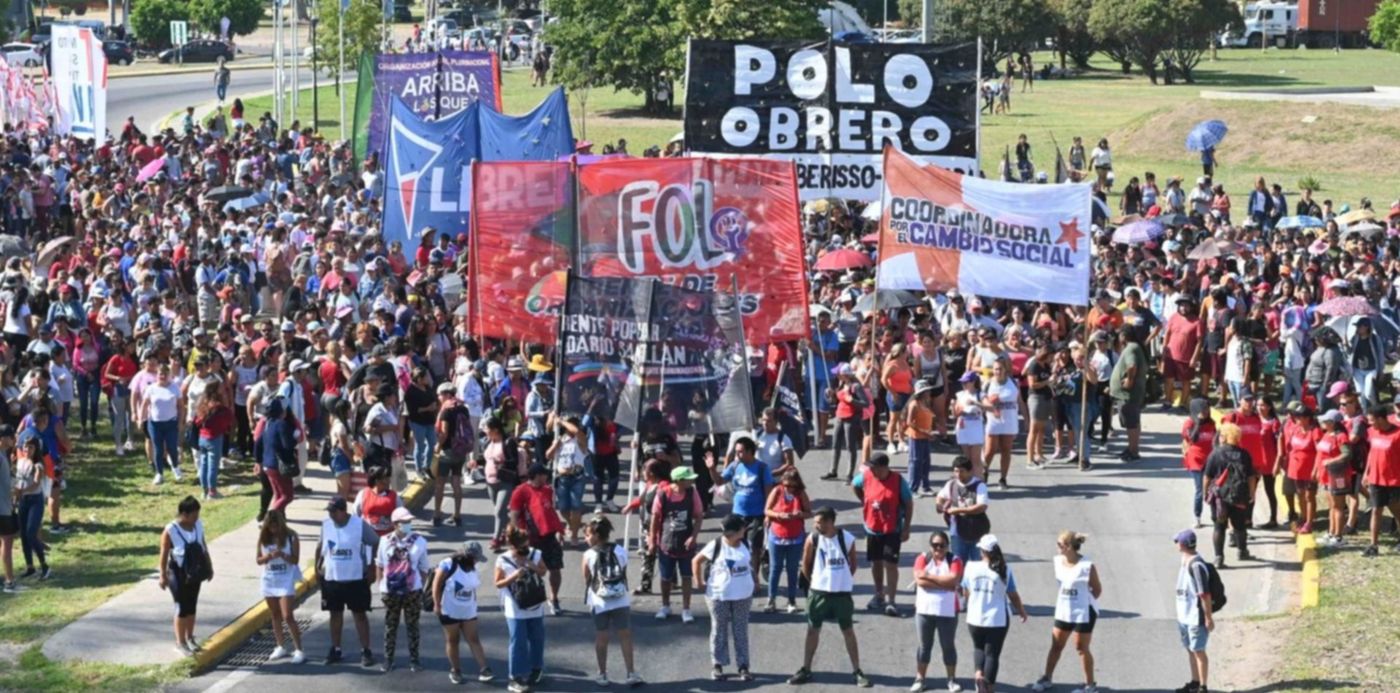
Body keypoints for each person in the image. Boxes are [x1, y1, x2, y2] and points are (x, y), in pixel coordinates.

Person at [789, 506, 873, 688]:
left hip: (841, 595)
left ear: (830, 522)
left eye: (819, 522)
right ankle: (806, 668)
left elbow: (853, 565)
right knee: (812, 630)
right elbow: (805, 564)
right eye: (815, 522)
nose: (816, 525)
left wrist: (842, 580)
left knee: (848, 631)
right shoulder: (813, 539)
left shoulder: (846, 538)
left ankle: (857, 670)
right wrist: (816, 582)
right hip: (818, 593)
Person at [1031, 531, 1102, 693]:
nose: (1057, 547)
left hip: (1084, 611)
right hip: (1064, 609)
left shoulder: (1087, 565)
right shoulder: (1058, 562)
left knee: (1081, 647)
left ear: (1069, 547)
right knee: (1056, 644)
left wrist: (1081, 600)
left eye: (1059, 544)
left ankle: (1090, 685)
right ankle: (1047, 678)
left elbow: (1097, 590)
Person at [315, 496, 379, 668]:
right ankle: (336, 649)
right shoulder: (326, 525)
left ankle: (366, 650)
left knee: (359, 615)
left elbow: (374, 541)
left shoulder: (358, 525)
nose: (331, 515)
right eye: (329, 512)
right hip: (332, 578)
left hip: (355, 578)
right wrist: (317, 567)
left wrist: (372, 566)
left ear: (343, 511)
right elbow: (320, 546)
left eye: (334, 512)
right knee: (335, 614)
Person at [581, 514, 644, 687]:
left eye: (587, 535)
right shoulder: (620, 550)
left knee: (602, 637)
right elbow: (623, 570)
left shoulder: (588, 554)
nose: (586, 538)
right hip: (620, 599)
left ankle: (602, 674)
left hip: (599, 601)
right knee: (625, 636)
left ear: (596, 535)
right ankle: (631, 672)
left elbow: (587, 577)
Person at [704, 436, 774, 591]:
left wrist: (768, 515)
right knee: (735, 545)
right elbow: (719, 481)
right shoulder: (735, 466)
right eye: (736, 452)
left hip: (756, 515)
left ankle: (754, 580)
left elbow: (769, 493)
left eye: (741, 452)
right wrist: (711, 469)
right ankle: (738, 577)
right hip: (737, 514)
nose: (738, 455)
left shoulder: (762, 468)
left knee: (753, 548)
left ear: (750, 452)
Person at [960, 534, 1028, 693]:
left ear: (983, 551)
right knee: (992, 654)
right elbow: (1013, 594)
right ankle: (989, 687)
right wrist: (1021, 611)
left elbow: (965, 591)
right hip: (997, 619)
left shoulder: (970, 567)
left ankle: (978, 676)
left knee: (978, 648)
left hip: (975, 617)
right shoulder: (1004, 569)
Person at [694, 513, 757, 682]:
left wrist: (755, 581)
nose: (745, 529)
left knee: (740, 630)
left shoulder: (746, 543)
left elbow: (750, 565)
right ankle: (718, 665)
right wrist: (699, 581)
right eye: (742, 527)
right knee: (719, 630)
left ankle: (743, 666)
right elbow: (696, 561)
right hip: (718, 596)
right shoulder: (715, 545)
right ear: (734, 531)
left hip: (743, 596)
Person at [852, 451, 913, 616]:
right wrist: (864, 500)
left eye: (875, 468)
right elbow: (855, 484)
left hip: (892, 529)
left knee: (890, 564)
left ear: (884, 467)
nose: (872, 471)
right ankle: (879, 594)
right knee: (876, 562)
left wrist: (906, 527)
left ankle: (891, 601)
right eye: (871, 468)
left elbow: (908, 503)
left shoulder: (898, 481)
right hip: (872, 528)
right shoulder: (866, 476)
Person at [375, 506, 430, 672]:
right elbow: (379, 564)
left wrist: (418, 586)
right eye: (404, 522)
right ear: (395, 524)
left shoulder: (420, 542)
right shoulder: (384, 541)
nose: (407, 524)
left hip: (412, 591)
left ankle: (414, 659)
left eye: (409, 521)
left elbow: (424, 568)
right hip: (390, 591)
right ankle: (388, 659)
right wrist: (380, 586)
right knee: (390, 625)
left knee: (412, 625)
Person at [433, 540, 494, 685]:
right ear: (467, 556)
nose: (477, 561)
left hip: (468, 610)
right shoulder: (448, 563)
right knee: (453, 640)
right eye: (475, 558)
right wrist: (436, 604)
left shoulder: (473, 568)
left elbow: (472, 588)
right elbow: (436, 584)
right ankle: (456, 670)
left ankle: (484, 669)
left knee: (473, 639)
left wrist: (474, 604)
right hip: (449, 609)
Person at [495, 527, 548, 692]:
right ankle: (515, 677)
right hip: (515, 608)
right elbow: (498, 583)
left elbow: (543, 571)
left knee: (537, 638)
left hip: (535, 605)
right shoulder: (503, 559)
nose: (526, 549)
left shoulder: (535, 554)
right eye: (522, 547)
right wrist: (514, 576)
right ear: (512, 546)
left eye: (527, 545)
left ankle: (536, 669)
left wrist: (533, 566)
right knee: (518, 642)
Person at [508, 464, 566, 615]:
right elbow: (514, 514)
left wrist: (559, 530)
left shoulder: (547, 490)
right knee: (529, 570)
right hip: (530, 538)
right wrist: (516, 538)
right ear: (537, 475)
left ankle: (554, 598)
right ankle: (528, 597)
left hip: (549, 536)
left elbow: (550, 511)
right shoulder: (520, 491)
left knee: (555, 568)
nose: (546, 478)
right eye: (544, 475)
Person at [158, 496, 212, 655]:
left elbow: (203, 546)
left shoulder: (198, 526)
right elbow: (164, 553)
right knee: (181, 607)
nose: (196, 518)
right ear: (184, 514)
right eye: (194, 515)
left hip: (195, 571)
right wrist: (163, 575)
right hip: (178, 573)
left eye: (197, 515)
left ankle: (190, 638)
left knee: (192, 606)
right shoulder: (171, 530)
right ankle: (180, 642)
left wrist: (209, 567)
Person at [911, 530, 963, 693]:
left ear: (948, 546)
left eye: (942, 545)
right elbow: (919, 580)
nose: (938, 548)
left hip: (947, 611)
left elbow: (954, 579)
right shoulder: (922, 558)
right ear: (930, 546)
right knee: (924, 646)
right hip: (924, 611)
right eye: (935, 545)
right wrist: (945, 585)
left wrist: (929, 577)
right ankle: (920, 679)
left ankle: (951, 679)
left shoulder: (955, 560)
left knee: (948, 646)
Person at [650, 465, 702, 622]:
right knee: (665, 577)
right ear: (679, 481)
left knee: (687, 576)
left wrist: (693, 536)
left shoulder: (692, 493)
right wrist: (652, 541)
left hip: (686, 543)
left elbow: (699, 516)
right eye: (688, 479)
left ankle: (686, 609)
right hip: (666, 543)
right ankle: (665, 606)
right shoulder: (663, 494)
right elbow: (655, 518)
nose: (691, 481)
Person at [1202, 423, 1256, 568]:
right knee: (1239, 526)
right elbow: (1251, 476)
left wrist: (1206, 493)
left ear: (1224, 437)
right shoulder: (1244, 454)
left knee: (1219, 527)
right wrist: (1252, 493)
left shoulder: (1216, 453)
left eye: (1221, 435)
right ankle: (1242, 551)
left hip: (1220, 497)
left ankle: (1219, 557)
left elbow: (1207, 476)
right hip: (1239, 495)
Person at [256, 509, 304, 664]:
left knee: (287, 615)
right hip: (269, 579)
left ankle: (299, 649)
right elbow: (258, 560)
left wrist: (282, 555)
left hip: (286, 579)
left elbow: (295, 560)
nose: (274, 530)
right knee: (275, 614)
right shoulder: (263, 538)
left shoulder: (291, 537)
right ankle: (280, 646)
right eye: (270, 527)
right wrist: (269, 556)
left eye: (276, 527)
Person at [1172, 529, 1215, 693]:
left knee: (1199, 651)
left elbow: (1204, 594)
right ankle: (1195, 682)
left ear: (1182, 545)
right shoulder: (1185, 560)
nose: (1176, 544)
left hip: (1195, 617)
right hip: (1184, 615)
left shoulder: (1196, 565)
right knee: (1190, 649)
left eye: (1177, 542)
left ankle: (1203, 686)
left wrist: (1208, 617)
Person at [764, 468, 811, 613]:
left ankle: (792, 601)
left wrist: (799, 514)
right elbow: (767, 510)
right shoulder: (777, 491)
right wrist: (779, 515)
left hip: (795, 537)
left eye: (792, 486)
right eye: (786, 485)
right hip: (776, 536)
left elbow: (809, 513)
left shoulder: (801, 494)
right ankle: (771, 600)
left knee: (792, 570)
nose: (789, 488)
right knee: (775, 569)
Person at [936, 455, 992, 566]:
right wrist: (939, 504)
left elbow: (982, 506)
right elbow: (941, 496)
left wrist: (959, 510)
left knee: (979, 564)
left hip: (977, 532)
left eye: (962, 471)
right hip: (957, 532)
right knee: (958, 564)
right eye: (956, 471)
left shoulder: (979, 486)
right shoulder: (951, 484)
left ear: (970, 471)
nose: (958, 474)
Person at [1362, 405, 1400, 558]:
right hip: (1376, 479)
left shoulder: (1398, 434)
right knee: (1376, 510)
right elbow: (1372, 453)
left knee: (1397, 512)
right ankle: (1373, 545)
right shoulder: (1373, 432)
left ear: (1381, 419)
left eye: (1372, 421)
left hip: (1394, 480)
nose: (1370, 424)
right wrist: (1366, 472)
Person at [546, 415, 590, 545]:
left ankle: (574, 535)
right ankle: (573, 525)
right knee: (563, 508)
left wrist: (561, 421)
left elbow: (577, 432)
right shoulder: (561, 440)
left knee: (576, 506)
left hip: (577, 477)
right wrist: (555, 446)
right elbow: (548, 455)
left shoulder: (580, 440)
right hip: (562, 478)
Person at [1315, 411, 1353, 547]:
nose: (1323, 423)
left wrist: (1331, 461)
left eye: (1326, 421)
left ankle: (1338, 536)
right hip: (1326, 475)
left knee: (1338, 506)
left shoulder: (1341, 436)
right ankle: (1331, 532)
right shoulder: (1326, 434)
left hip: (1338, 475)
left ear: (1333, 422)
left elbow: (1347, 454)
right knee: (1331, 506)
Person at [1109, 327, 1147, 461]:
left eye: (1119, 334)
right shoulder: (1132, 347)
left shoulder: (1131, 348)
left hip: (1128, 395)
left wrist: (1129, 381)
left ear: (1124, 336)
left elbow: (1132, 366)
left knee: (1131, 423)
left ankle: (1133, 451)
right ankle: (1131, 447)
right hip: (1127, 395)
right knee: (1133, 422)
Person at [981, 359, 1019, 489]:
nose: (997, 371)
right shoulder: (988, 384)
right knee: (990, 450)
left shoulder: (1013, 382)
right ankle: (984, 471)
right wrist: (991, 403)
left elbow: (1019, 401)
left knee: (1006, 450)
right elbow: (983, 400)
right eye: (995, 369)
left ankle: (1003, 478)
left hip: (1009, 420)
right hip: (993, 420)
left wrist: (1026, 416)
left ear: (1005, 370)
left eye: (1000, 369)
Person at [1182, 399, 1217, 527]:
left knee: (1214, 489)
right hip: (1196, 461)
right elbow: (1192, 439)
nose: (1206, 412)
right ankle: (1198, 515)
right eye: (1203, 410)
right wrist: (1198, 423)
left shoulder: (1211, 423)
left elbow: (1215, 440)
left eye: (1207, 409)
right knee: (1200, 490)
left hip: (1210, 460)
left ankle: (1216, 515)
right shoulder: (1189, 423)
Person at [906, 379, 937, 494]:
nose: (928, 392)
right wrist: (924, 432)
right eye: (926, 391)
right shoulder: (914, 404)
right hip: (916, 437)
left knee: (926, 462)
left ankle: (926, 486)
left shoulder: (926, 403)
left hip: (925, 437)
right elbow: (909, 422)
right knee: (915, 462)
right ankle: (912, 489)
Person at [952, 372, 985, 471]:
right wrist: (954, 406)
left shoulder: (980, 394)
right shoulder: (960, 395)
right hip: (963, 429)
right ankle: (969, 482)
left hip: (976, 429)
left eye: (966, 382)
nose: (964, 385)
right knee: (967, 460)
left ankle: (979, 482)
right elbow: (955, 415)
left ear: (973, 382)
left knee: (975, 461)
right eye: (962, 382)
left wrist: (975, 403)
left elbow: (991, 408)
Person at [0, 425, 15, 592]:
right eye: (10, 437)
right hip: (1, 507)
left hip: (5, 504)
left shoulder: (4, 455)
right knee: (7, 542)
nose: (12, 440)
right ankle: (9, 581)